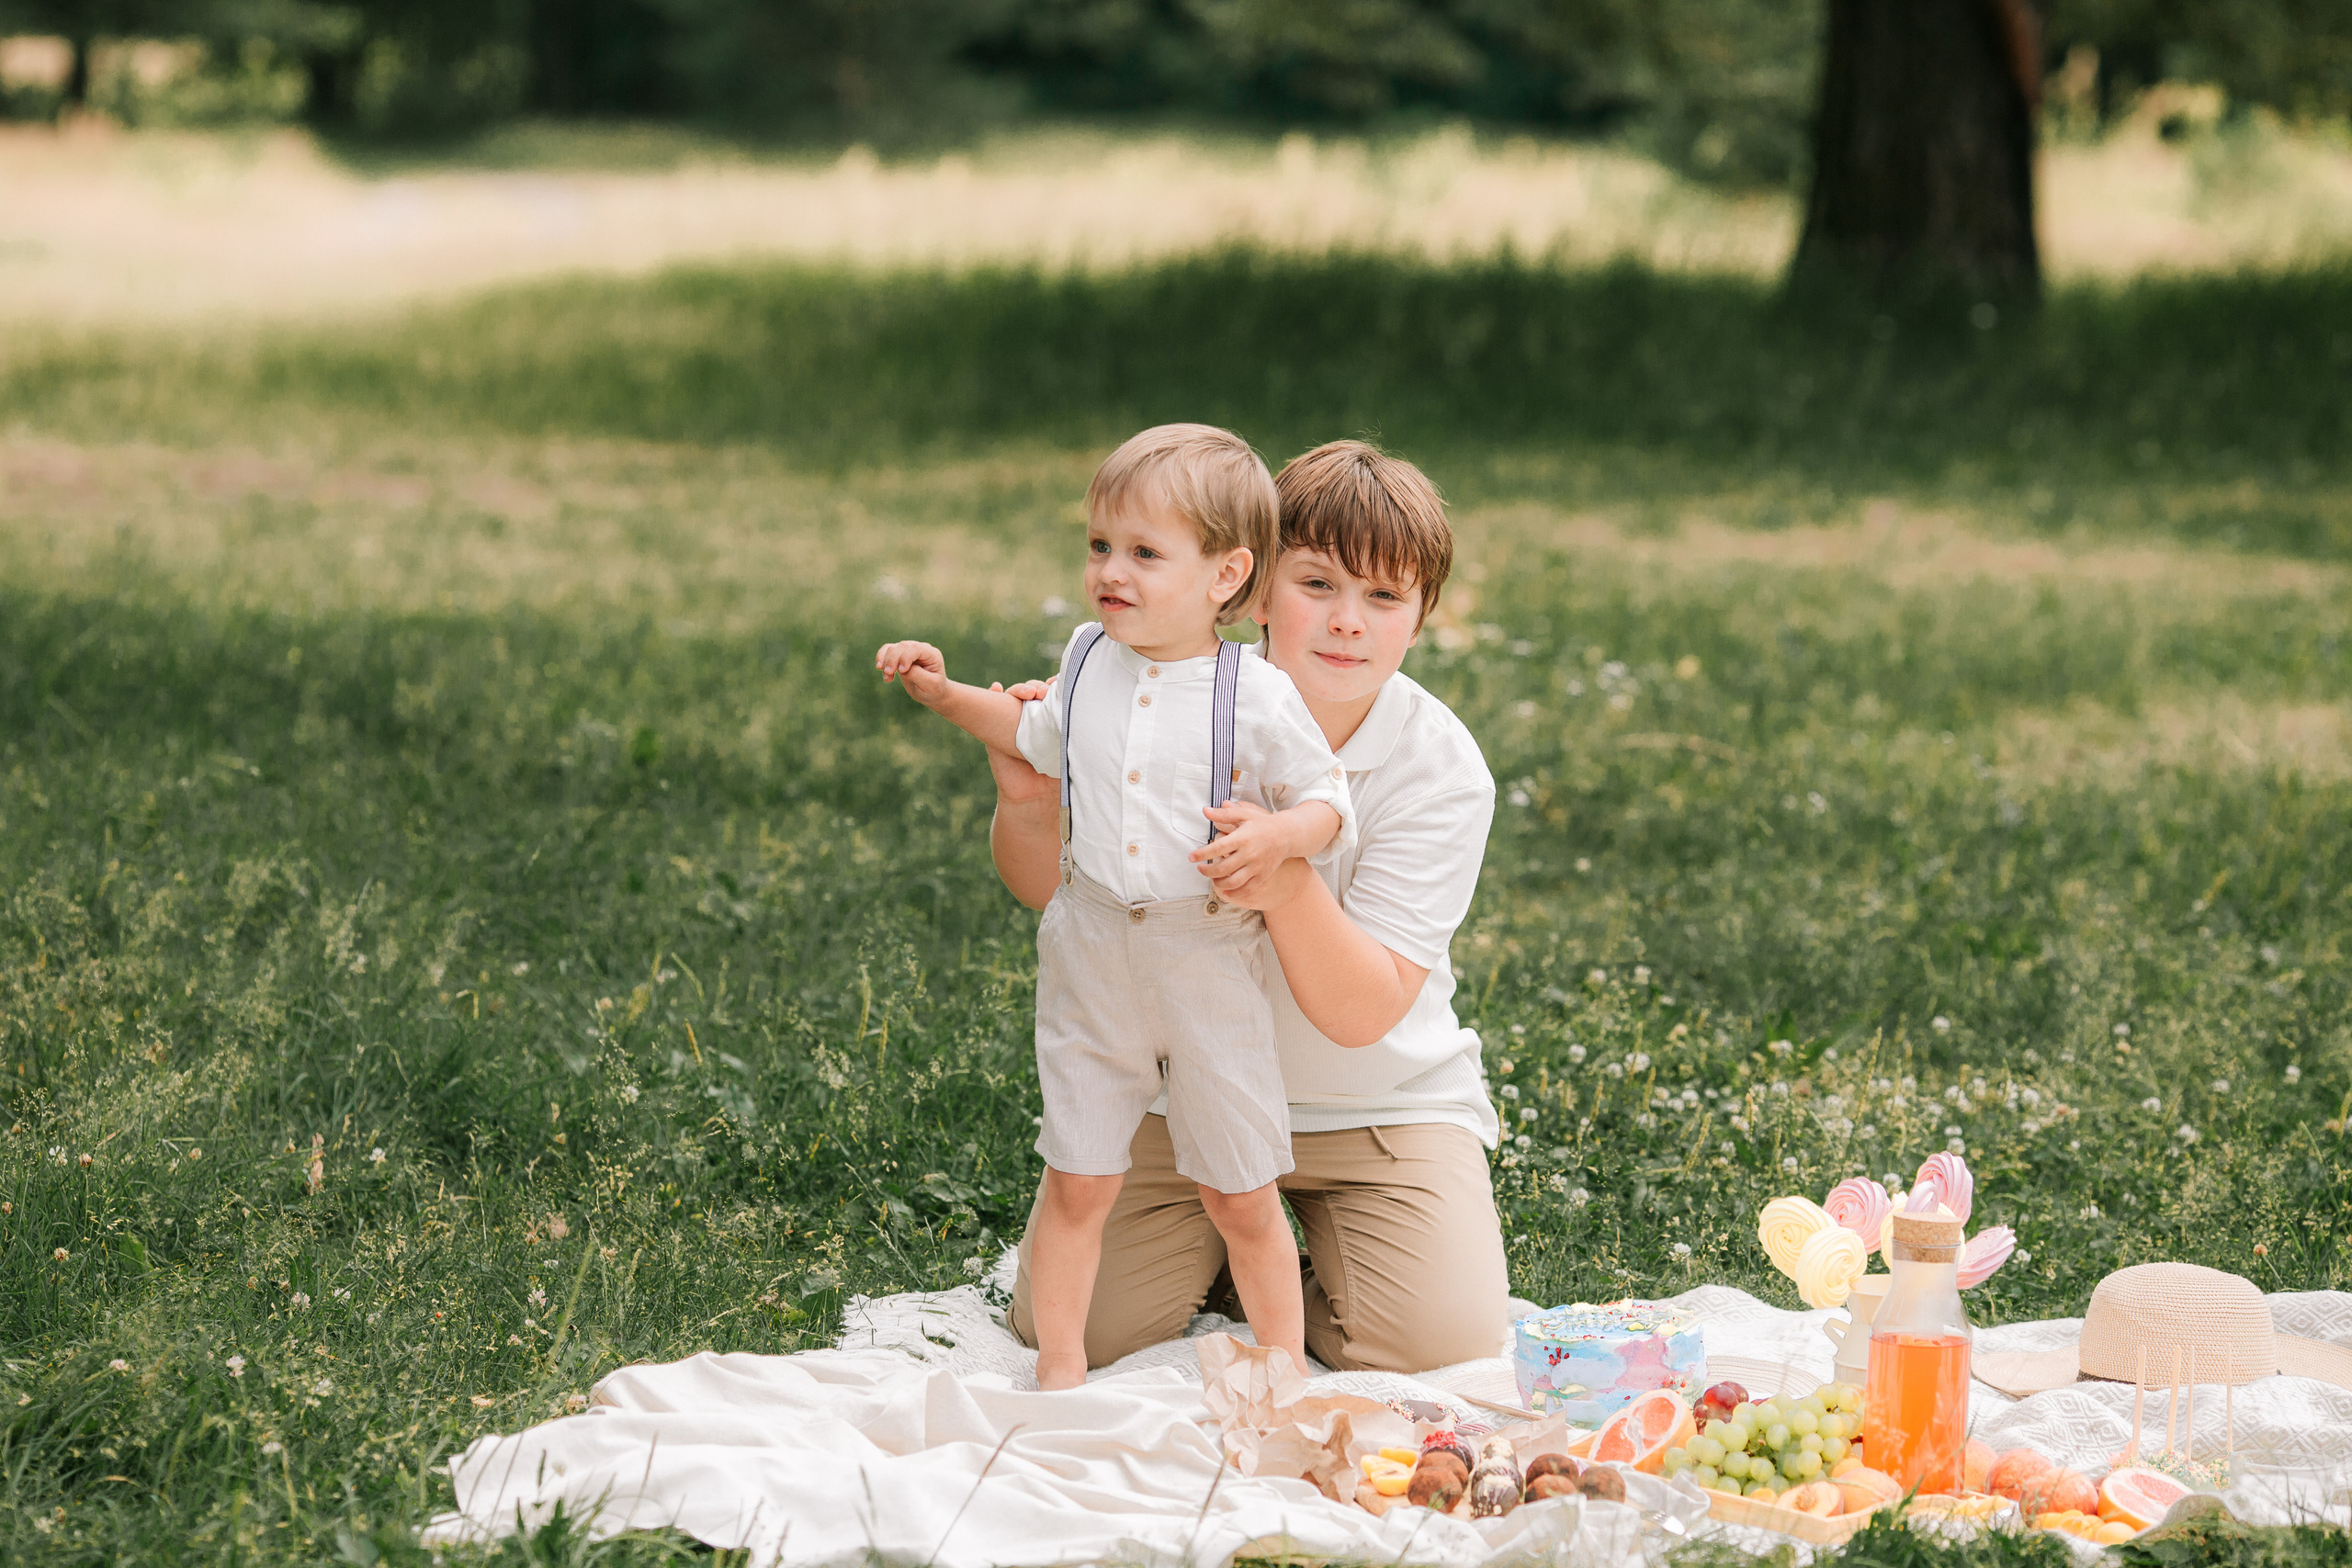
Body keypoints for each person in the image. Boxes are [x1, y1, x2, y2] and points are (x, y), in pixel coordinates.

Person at [992, 439, 1509, 1374]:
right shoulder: (1145, 688)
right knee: (1077, 1327)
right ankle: (1223, 1245)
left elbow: (1360, 1013)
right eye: (1317, 584)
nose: (1348, 622)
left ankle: (1303, 1259)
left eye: (1384, 598)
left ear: (1420, 617)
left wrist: (1286, 872)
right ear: (1254, 587)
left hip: (1375, 1111)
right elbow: (1045, 889)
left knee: (1436, 1340)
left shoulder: (1437, 769)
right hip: (1177, 1084)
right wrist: (1028, 800)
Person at [875, 423, 1357, 1389]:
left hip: (1204, 957)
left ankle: (1279, 1365)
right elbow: (1035, 733)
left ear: (1226, 575)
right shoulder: (1087, 655)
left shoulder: (1250, 692)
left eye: (1144, 553)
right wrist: (944, 694)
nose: (1111, 571)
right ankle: (1058, 1366)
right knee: (1078, 1176)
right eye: (1100, 546)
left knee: (1241, 1188)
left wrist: (1275, 837)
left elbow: (1327, 801)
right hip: (1090, 948)